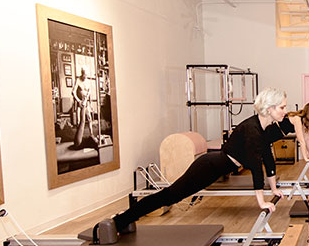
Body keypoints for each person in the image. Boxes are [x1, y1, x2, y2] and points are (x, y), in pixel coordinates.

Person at [110, 88, 289, 233]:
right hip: (207, 167)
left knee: (170, 196)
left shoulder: (264, 128)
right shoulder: (252, 129)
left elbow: (268, 160)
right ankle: (121, 220)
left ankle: (125, 217)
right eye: (282, 107)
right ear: (269, 108)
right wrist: (261, 202)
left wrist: (274, 189)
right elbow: (256, 167)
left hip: (215, 169)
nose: (285, 111)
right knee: (170, 196)